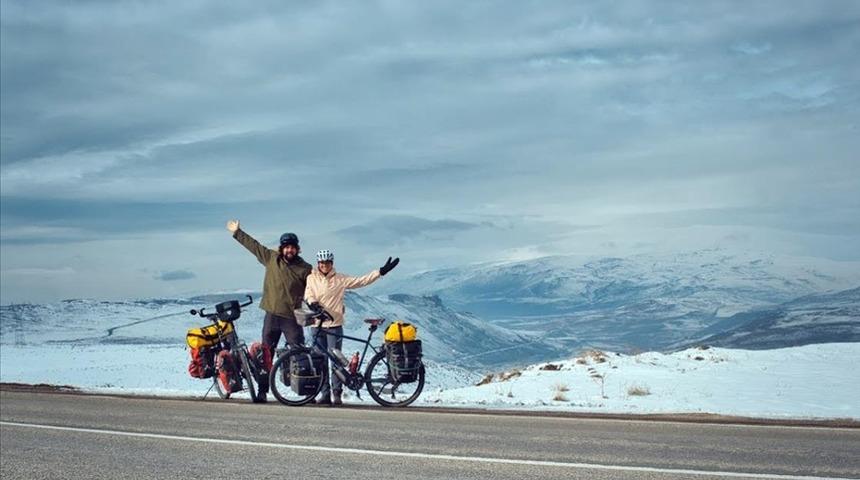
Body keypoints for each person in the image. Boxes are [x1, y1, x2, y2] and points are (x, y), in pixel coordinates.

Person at [227, 219, 312, 400]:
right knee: (265, 355)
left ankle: (306, 391)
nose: (289, 250)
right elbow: (254, 246)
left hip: (292, 317)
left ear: (297, 249)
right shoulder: (272, 259)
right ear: (281, 248)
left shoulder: (305, 268)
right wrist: (237, 232)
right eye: (286, 247)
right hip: (272, 315)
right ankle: (262, 391)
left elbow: (315, 289)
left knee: (299, 353)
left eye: (292, 247)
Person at [305, 249, 399, 405]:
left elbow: (361, 281)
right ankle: (324, 394)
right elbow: (308, 293)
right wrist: (312, 302)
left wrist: (380, 272)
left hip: (334, 325)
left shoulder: (340, 279)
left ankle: (337, 394)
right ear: (318, 264)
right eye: (322, 263)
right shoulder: (311, 278)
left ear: (331, 264)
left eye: (327, 263)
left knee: (336, 361)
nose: (324, 266)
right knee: (320, 361)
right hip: (317, 324)